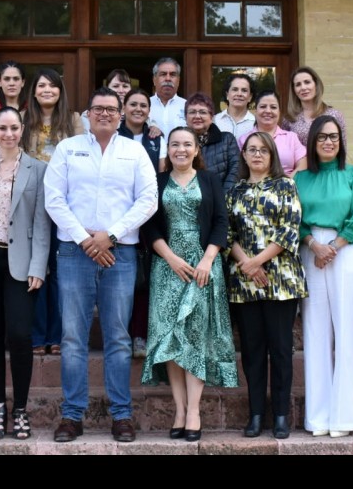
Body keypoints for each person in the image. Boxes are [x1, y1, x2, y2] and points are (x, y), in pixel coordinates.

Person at [44, 87, 158, 443]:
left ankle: (121, 415)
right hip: (74, 251)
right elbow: (54, 199)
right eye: (98, 108)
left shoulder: (134, 151)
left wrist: (110, 235)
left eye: (111, 109)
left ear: (121, 115)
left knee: (118, 338)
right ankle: (72, 415)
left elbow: (148, 200)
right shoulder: (68, 148)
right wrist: (86, 240)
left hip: (119, 253)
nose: (105, 114)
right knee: (72, 337)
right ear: (88, 114)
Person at [141, 127, 238, 442]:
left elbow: (221, 221)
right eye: (174, 145)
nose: (180, 149)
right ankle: (179, 410)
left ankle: (194, 411)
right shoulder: (157, 182)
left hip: (202, 268)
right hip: (167, 267)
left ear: (197, 150)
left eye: (187, 144)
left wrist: (208, 259)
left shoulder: (209, 181)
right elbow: (149, 226)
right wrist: (170, 257)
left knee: (195, 336)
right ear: (167, 150)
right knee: (171, 338)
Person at [0, 107, 51, 441]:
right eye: (2, 128)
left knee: (19, 334)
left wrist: (39, 266)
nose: (8, 134)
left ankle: (21, 410)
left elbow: (42, 222)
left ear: (22, 129)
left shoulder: (37, 169)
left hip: (21, 260)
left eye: (14, 128)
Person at [225, 131, 307, 440]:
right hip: (244, 283)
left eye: (263, 150)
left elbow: (289, 229)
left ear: (272, 155)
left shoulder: (286, 186)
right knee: (252, 351)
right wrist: (247, 264)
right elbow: (227, 233)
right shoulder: (234, 192)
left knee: (281, 349)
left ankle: (281, 415)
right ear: (244, 156)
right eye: (252, 150)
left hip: (281, 280)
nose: (257, 154)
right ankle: (256, 414)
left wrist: (257, 262)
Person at [294, 115, 353, 438]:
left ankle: (345, 417)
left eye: (334, 137)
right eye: (322, 136)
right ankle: (319, 417)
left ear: (341, 141)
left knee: (348, 331)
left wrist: (333, 247)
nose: (328, 142)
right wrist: (314, 245)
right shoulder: (300, 179)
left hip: (347, 250)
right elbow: (294, 219)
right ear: (312, 141)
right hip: (311, 250)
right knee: (315, 330)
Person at [22, 67, 85, 357]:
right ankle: (37, 335)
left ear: (61, 91)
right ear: (33, 92)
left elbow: (83, 159)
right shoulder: (23, 120)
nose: (47, 90)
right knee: (35, 269)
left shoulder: (74, 121)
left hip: (66, 203)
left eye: (52, 85)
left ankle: (58, 335)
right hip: (31, 203)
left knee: (61, 272)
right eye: (41, 85)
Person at [117, 87, 166, 358]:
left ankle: (139, 335)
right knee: (120, 278)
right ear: (123, 108)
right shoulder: (114, 135)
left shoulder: (156, 138)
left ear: (149, 110)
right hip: (118, 214)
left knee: (143, 279)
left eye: (143, 105)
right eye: (133, 104)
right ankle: (119, 334)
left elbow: (161, 174)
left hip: (147, 214)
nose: (138, 109)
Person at [238, 90, 306, 177]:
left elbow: (303, 164)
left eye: (273, 107)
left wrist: (286, 181)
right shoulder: (244, 139)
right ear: (255, 111)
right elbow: (240, 170)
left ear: (279, 112)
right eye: (263, 106)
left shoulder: (291, 138)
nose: (268, 111)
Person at [185, 92, 240, 195]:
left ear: (211, 118)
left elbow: (235, 171)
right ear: (185, 117)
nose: (197, 116)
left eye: (203, 112)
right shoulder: (179, 143)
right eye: (192, 112)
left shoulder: (227, 140)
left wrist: (221, 199)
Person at [282, 66, 347, 147]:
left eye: (307, 82)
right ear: (294, 90)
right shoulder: (289, 119)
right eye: (298, 84)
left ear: (316, 85)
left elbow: (342, 147)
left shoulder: (334, 115)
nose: (303, 87)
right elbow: (285, 149)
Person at [149, 57, 187, 137]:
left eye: (172, 75)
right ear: (154, 79)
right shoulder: (144, 106)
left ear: (178, 81)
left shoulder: (187, 106)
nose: (168, 78)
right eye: (163, 74)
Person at [213, 72, 256, 140]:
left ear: (250, 97)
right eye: (235, 89)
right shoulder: (215, 121)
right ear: (227, 95)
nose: (239, 94)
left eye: (244, 90)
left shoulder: (256, 123)